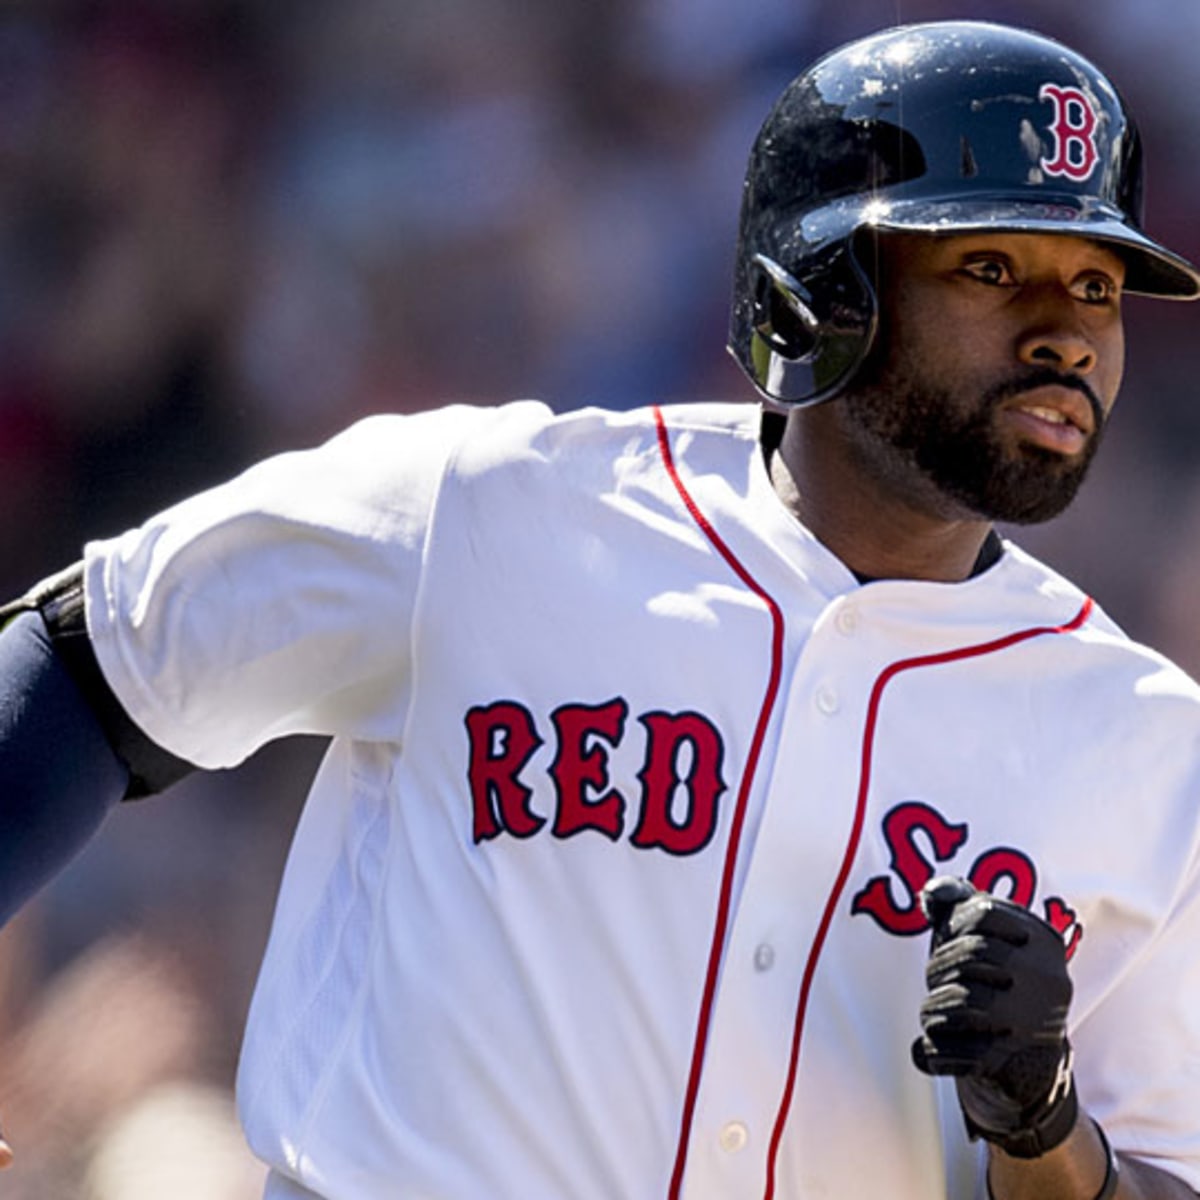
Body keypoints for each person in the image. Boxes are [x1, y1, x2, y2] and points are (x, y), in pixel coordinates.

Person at [1, 18, 1199, 1200]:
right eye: (990, 270)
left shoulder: (1147, 745)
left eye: (1098, 285)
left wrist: (1047, 1132)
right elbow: (95, 663)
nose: (1069, 336)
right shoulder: (493, 510)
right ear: (815, 292)